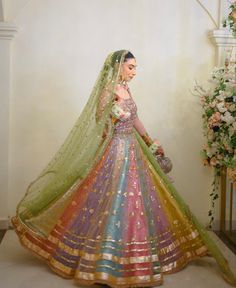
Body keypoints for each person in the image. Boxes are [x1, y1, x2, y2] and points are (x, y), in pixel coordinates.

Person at [11, 50, 236, 287]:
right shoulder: (108, 91)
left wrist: (150, 141)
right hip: (116, 150)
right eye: (131, 67)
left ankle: (139, 256)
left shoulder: (126, 89)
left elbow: (136, 118)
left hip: (133, 148)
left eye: (136, 67)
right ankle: (104, 260)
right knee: (111, 199)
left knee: (138, 198)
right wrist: (114, 117)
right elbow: (100, 121)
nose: (134, 72)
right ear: (119, 66)